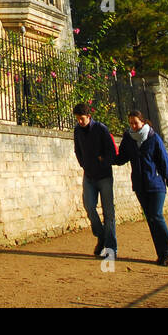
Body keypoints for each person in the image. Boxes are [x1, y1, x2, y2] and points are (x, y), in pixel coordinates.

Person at [114, 109, 168, 266]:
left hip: (156, 185)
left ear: (142, 122)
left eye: (136, 123)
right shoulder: (128, 139)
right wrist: (105, 157)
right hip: (140, 186)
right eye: (131, 123)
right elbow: (122, 158)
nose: (133, 126)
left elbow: (164, 161)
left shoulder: (153, 138)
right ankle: (161, 254)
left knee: (156, 216)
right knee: (150, 219)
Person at [72, 102, 118, 259]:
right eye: (77, 119)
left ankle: (111, 249)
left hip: (104, 176)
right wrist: (84, 164)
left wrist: (102, 161)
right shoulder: (77, 130)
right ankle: (101, 235)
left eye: (82, 119)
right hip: (89, 175)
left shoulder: (100, 129)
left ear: (89, 117)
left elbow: (111, 151)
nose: (79, 121)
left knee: (108, 212)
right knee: (89, 206)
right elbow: (77, 150)